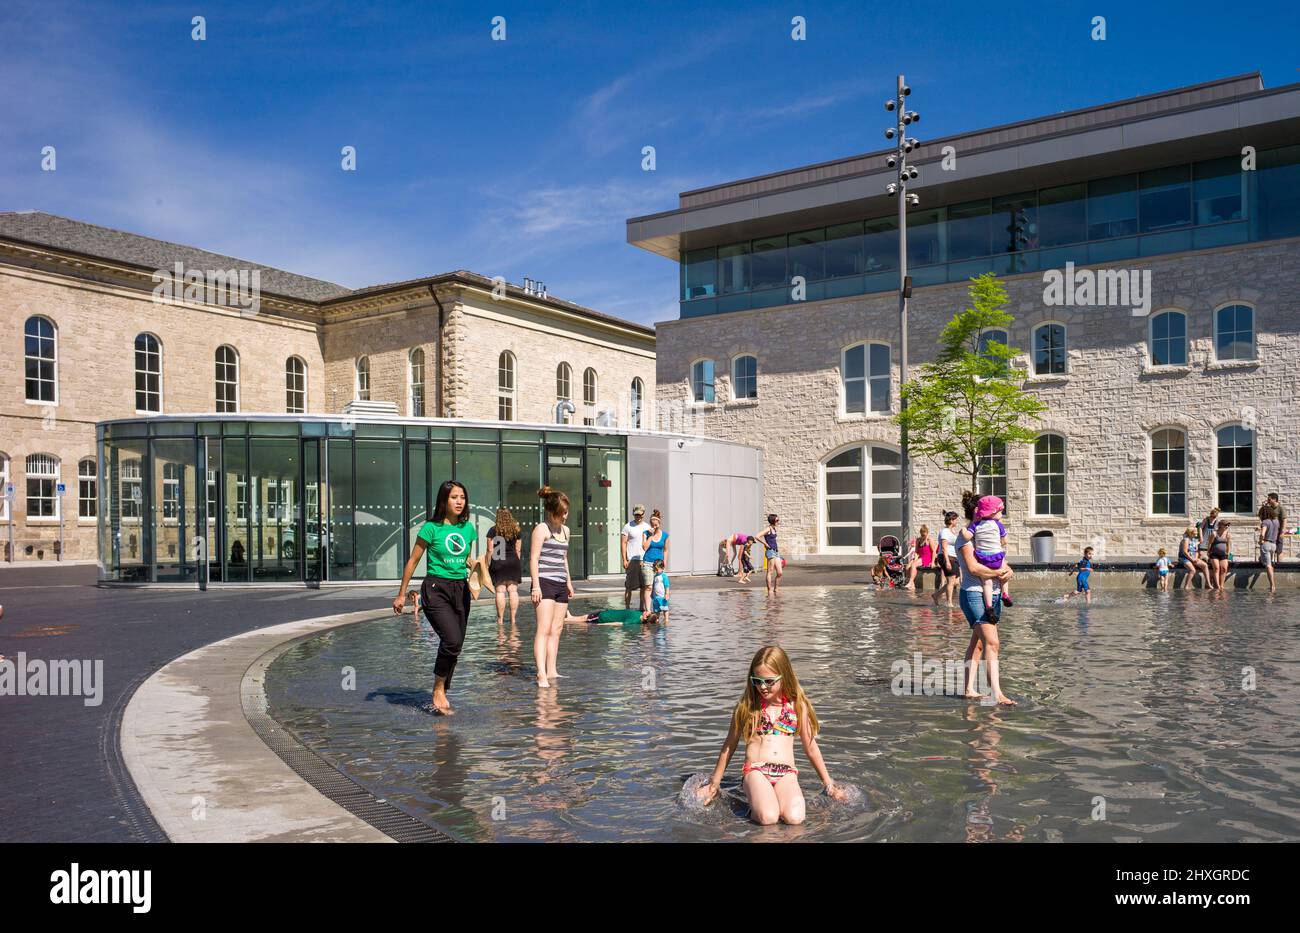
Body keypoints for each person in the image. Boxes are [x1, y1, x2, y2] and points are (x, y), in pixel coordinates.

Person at [696, 645, 848, 823]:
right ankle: (747, 807)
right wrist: (715, 783)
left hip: (786, 773)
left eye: (769, 681)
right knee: (768, 817)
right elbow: (730, 744)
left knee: (795, 818)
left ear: (784, 676)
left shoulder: (797, 707)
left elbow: (811, 748)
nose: (762, 686)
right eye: (757, 680)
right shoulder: (747, 707)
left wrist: (829, 785)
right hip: (756, 771)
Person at [392, 480, 476, 715]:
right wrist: (401, 594)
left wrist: (478, 568)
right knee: (451, 639)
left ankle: (443, 690)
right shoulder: (431, 528)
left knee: (456, 643)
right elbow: (413, 560)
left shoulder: (468, 529)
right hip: (436, 588)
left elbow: (466, 558)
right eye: (454, 497)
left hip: (461, 589)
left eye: (462, 497)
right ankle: (438, 689)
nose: (459, 501)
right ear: (444, 500)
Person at [956, 491, 1016, 706]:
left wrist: (1008, 571)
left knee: (979, 644)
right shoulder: (965, 539)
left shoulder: (989, 534)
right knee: (993, 642)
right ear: (978, 512)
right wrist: (998, 574)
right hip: (974, 594)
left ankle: (968, 689)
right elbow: (974, 568)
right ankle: (996, 693)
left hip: (994, 594)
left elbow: (1001, 561)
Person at [531, 486, 575, 688]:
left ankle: (552, 670)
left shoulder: (566, 531)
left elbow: (563, 558)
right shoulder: (542, 529)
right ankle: (541, 673)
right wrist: (536, 587)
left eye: (566, 512)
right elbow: (533, 559)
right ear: (552, 512)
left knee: (557, 629)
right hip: (544, 582)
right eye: (562, 513)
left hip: (559, 582)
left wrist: (568, 582)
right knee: (544, 629)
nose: (565, 516)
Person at [968, 496, 1014, 621]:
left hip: (983, 557)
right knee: (1004, 574)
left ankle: (988, 606)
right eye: (1000, 511)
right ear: (993, 512)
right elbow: (1005, 540)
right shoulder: (998, 524)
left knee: (986, 582)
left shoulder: (976, 525)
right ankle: (1005, 594)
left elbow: (968, 535)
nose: (1001, 514)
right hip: (997, 556)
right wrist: (998, 541)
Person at [485, 506, 523, 627]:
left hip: (498, 561)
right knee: (513, 590)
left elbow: (490, 550)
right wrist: (516, 563)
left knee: (500, 592)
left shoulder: (492, 530)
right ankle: (513, 619)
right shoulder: (516, 530)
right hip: (513, 562)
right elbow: (518, 550)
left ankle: (500, 620)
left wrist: (487, 564)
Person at [620, 505, 651, 610]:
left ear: (643, 514)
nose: (638, 516)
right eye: (636, 514)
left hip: (644, 560)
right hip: (632, 560)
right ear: (633, 514)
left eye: (640, 514)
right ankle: (627, 608)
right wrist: (624, 559)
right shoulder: (627, 526)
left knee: (644, 586)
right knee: (629, 586)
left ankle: (641, 608)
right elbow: (623, 543)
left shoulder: (647, 527)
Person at [932, 511, 961, 607]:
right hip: (946, 557)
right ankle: (949, 603)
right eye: (956, 519)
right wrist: (947, 561)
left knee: (955, 581)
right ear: (951, 520)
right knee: (951, 580)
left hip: (954, 558)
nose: (957, 521)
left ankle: (936, 595)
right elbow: (944, 547)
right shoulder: (944, 531)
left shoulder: (952, 532)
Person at [641, 509, 669, 607]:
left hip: (659, 565)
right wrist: (651, 536)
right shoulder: (646, 533)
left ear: (659, 524)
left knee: (658, 587)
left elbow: (665, 550)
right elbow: (644, 547)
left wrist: (664, 562)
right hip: (647, 563)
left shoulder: (665, 535)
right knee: (648, 587)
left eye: (656, 525)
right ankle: (648, 610)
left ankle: (658, 607)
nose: (654, 527)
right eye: (652, 525)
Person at [902, 524, 935, 590]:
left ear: (927, 533)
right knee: (908, 567)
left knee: (914, 565)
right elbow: (916, 552)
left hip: (927, 558)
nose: (923, 536)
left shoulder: (929, 540)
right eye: (922, 534)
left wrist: (933, 562)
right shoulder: (918, 540)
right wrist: (915, 559)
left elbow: (934, 551)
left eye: (924, 534)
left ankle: (910, 582)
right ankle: (912, 585)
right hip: (920, 557)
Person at [1257, 503, 1279, 594]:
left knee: (1268, 565)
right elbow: (1271, 531)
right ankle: (1272, 584)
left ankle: (1272, 586)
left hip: (1266, 544)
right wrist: (1260, 529)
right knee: (1269, 563)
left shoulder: (1265, 521)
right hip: (1274, 545)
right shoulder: (1276, 521)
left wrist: (1260, 541)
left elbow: (1263, 534)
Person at [564, 607, 661, 625]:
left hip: (604, 618)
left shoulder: (634, 620)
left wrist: (603, 625)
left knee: (584, 619)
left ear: (645, 618)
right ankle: (570, 617)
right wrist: (656, 619)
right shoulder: (640, 615)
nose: (646, 611)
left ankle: (566, 620)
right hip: (608, 613)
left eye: (647, 613)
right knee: (585, 617)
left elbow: (618, 623)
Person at [1207, 520, 1232, 591]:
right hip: (1214, 553)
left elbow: (1228, 545)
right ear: (1220, 525)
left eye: (1228, 525)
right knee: (1217, 568)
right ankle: (1217, 585)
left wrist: (1228, 553)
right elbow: (1210, 543)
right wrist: (1208, 553)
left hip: (1223, 554)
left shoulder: (1227, 534)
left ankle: (1222, 585)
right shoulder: (1214, 534)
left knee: (1224, 568)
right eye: (1225, 525)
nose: (1227, 526)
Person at [762, 515, 784, 594]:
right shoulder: (768, 529)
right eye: (777, 520)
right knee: (770, 571)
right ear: (773, 521)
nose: (778, 521)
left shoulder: (774, 528)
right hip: (770, 551)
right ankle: (769, 590)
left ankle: (776, 589)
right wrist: (765, 543)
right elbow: (757, 536)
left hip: (776, 552)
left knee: (780, 572)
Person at [1267, 492, 1288, 562]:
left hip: (1278, 532)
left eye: (1269, 499)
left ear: (1275, 499)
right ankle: (1271, 565)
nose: (1268, 500)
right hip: (1271, 532)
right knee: (1270, 549)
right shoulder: (1269, 508)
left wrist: (1282, 532)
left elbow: (1284, 520)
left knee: (1279, 550)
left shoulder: (1280, 508)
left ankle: (1280, 567)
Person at [650, 558, 671, 623]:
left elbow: (667, 586)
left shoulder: (664, 576)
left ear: (662, 568)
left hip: (662, 597)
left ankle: (666, 620)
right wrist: (652, 593)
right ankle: (657, 620)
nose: (655, 571)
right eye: (654, 569)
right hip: (656, 597)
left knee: (665, 609)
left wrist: (667, 594)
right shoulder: (655, 576)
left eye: (657, 569)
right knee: (656, 610)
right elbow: (654, 586)